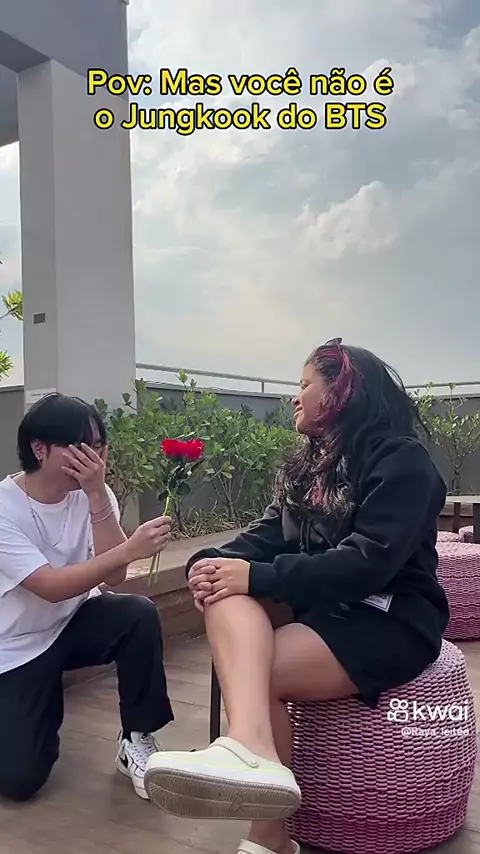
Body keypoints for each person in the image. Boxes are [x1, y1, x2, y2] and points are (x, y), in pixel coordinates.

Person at [143, 341, 450, 854]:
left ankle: (267, 829)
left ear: (342, 390)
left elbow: (366, 565)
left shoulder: (402, 462)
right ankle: (251, 751)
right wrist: (207, 563)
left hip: (387, 617)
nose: (295, 396)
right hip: (322, 609)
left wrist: (258, 578)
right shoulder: (310, 466)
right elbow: (266, 536)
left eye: (305, 384)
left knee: (255, 668)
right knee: (225, 590)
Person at [0, 393, 173, 803]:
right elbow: (50, 586)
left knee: (136, 614)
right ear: (39, 449)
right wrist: (131, 548)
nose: (93, 460)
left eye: (98, 447)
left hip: (72, 622)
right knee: (20, 780)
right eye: (80, 447)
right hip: (16, 647)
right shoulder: (5, 508)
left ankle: (136, 738)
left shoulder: (95, 492)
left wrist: (96, 497)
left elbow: (114, 577)